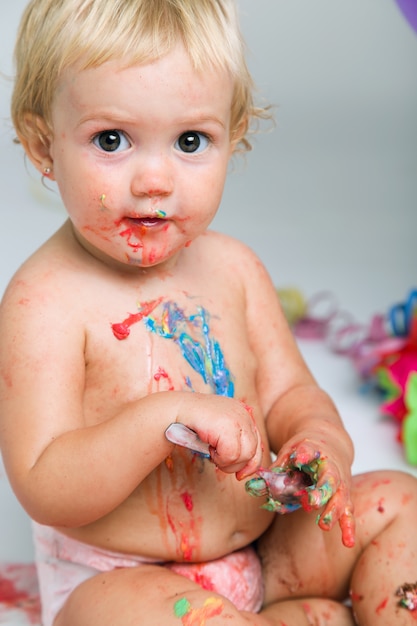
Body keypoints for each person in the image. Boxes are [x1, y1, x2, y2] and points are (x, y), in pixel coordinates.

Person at [0, 1, 416, 624]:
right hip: (118, 581)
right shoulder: (45, 299)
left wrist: (319, 442)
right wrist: (161, 419)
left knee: (400, 505)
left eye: (191, 141)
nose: (155, 179)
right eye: (111, 140)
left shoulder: (235, 270)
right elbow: (44, 483)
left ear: (234, 133)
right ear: (43, 145)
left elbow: (291, 395)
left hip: (264, 549)